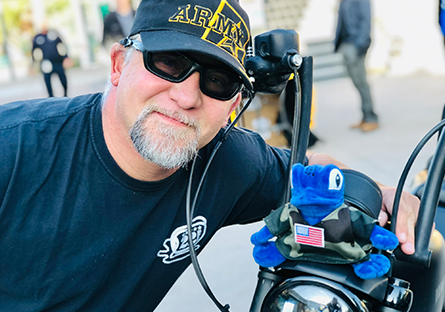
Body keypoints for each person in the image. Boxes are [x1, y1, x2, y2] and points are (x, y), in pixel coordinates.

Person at [0, 0, 419, 311]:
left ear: (234, 105)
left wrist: (381, 191)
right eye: (167, 63)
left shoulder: (231, 161)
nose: (185, 96)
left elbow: (313, 175)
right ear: (117, 65)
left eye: (216, 81)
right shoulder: (14, 149)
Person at [334, 0, 378, 132]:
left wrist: (360, 45)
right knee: (356, 82)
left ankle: (371, 117)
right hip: (347, 44)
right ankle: (365, 116)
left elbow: (366, 21)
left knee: (361, 81)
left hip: (356, 45)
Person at [31, 22, 70, 97]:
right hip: (46, 63)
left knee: (63, 79)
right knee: (47, 81)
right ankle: (51, 96)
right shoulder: (37, 38)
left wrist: (66, 57)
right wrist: (33, 65)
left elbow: (62, 45)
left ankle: (65, 94)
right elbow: (33, 52)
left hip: (57, 61)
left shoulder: (53, 35)